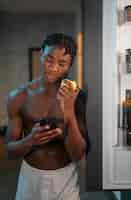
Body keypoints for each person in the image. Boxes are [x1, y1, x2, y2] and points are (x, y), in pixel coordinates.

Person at [5, 33, 90, 200]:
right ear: (42, 54)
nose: (53, 67)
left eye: (62, 63)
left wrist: (69, 113)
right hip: (30, 178)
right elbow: (10, 151)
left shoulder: (77, 96)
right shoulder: (19, 96)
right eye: (49, 59)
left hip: (65, 178)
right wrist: (31, 140)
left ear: (70, 65)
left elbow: (78, 154)